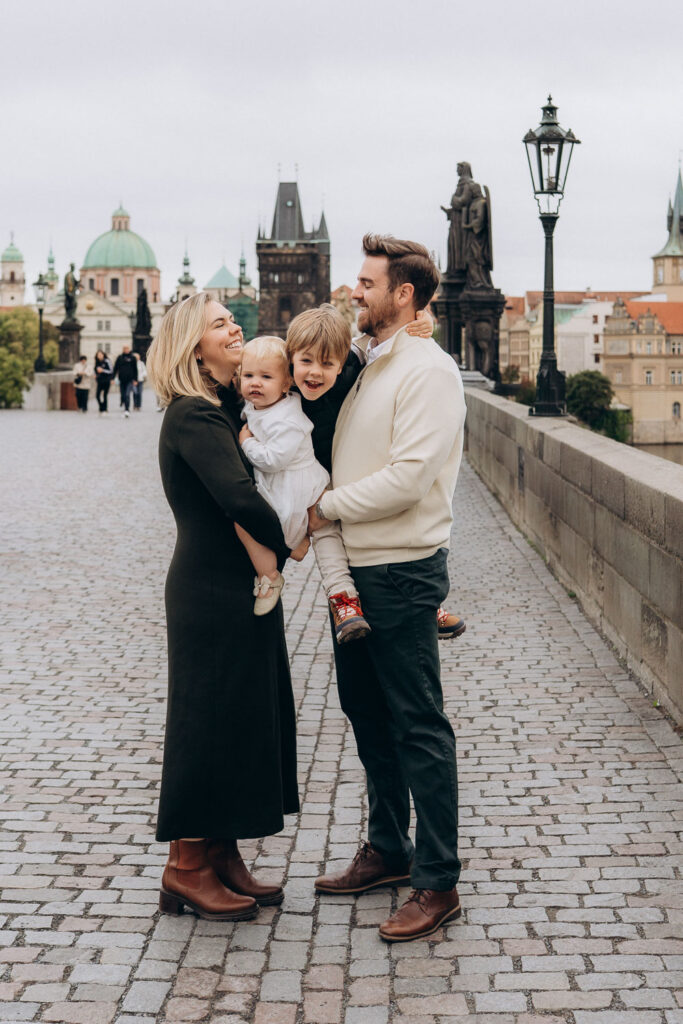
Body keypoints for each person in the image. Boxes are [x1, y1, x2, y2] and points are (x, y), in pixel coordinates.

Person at [308, 234, 466, 942]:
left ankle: (436, 882)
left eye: (367, 283)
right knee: (369, 719)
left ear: (402, 294)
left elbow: (408, 477)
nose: (355, 291)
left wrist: (328, 507)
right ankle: (387, 848)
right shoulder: (375, 362)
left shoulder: (426, 371)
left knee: (418, 726)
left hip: (400, 570)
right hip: (361, 570)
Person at [145, 292, 298, 921]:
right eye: (219, 324)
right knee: (206, 721)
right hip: (210, 589)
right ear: (193, 346)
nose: (234, 327)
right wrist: (288, 543)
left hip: (237, 586)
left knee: (241, 717)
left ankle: (223, 854)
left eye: (232, 320)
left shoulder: (227, 406)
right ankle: (185, 867)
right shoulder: (193, 416)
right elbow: (238, 498)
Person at [287, 304, 467, 643]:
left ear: (341, 364)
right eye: (305, 362)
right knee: (326, 538)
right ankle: (343, 600)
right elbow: (253, 372)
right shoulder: (283, 384)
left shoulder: (355, 367)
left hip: (350, 474)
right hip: (314, 481)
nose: (314, 373)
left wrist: (423, 322)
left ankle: (428, 607)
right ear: (290, 360)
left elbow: (379, 342)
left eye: (327, 364)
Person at [113, 345, 137, 417]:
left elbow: (135, 369)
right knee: (123, 394)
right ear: (123, 350)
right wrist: (112, 378)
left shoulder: (133, 358)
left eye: (127, 348)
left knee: (127, 395)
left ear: (129, 349)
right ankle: (123, 402)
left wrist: (135, 379)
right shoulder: (120, 357)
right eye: (125, 349)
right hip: (121, 379)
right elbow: (115, 368)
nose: (126, 350)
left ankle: (127, 409)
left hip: (130, 380)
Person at [94, 349, 113, 414]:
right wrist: (95, 374)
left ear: (103, 355)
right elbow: (95, 370)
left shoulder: (107, 361)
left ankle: (105, 408)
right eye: (98, 355)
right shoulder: (97, 362)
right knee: (97, 395)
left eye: (100, 355)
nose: (99, 356)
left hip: (106, 380)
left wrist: (103, 370)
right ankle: (101, 406)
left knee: (105, 395)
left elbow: (111, 371)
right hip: (99, 380)